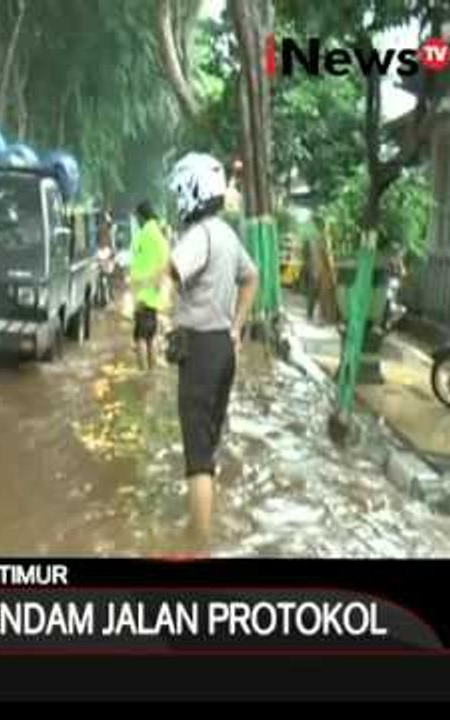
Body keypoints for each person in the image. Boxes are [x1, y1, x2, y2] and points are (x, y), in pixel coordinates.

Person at [167, 152, 259, 546]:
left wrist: (146, 294)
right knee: (209, 444)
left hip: (201, 352)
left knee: (197, 456)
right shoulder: (226, 234)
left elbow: (170, 271)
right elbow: (252, 277)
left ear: (193, 191)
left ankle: (197, 546)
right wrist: (237, 328)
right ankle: (202, 529)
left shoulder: (199, 235)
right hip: (222, 349)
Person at [129, 201, 171, 370]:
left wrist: (149, 282)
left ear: (141, 216)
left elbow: (162, 261)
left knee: (140, 337)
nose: (136, 220)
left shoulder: (145, 234)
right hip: (151, 294)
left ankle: (144, 374)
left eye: (137, 217)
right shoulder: (157, 233)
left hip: (144, 293)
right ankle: (151, 372)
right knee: (150, 335)